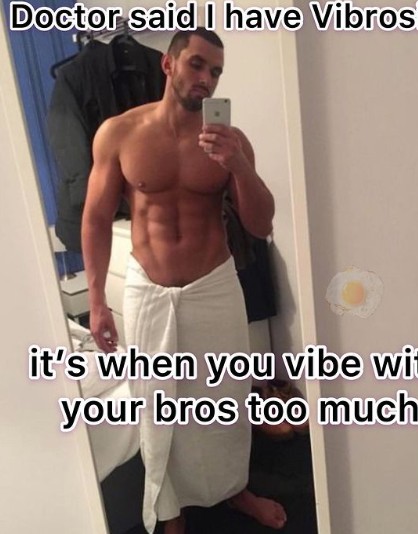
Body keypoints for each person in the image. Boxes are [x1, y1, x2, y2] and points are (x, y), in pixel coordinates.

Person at [82, 28, 286, 534]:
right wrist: (97, 301)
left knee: (225, 396)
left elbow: (260, 224)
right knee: (156, 399)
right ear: (168, 64)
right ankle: (169, 508)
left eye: (216, 72)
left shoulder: (231, 141)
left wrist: (238, 166)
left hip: (213, 286)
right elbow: (95, 218)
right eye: (197, 64)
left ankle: (235, 489)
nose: (206, 79)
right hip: (148, 288)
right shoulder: (119, 133)